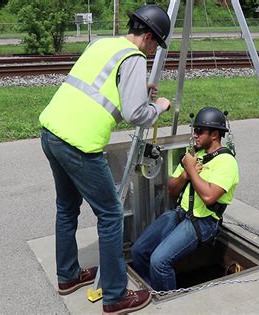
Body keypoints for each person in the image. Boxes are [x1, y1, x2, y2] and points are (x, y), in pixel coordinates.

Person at [39, 5, 171, 314]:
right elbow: (135, 113)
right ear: (148, 36)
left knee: (66, 208)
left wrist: (138, 89)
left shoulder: (101, 43)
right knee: (111, 215)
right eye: (156, 46)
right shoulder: (135, 57)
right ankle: (114, 296)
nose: (153, 52)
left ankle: (68, 276)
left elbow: (100, 85)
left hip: (51, 131)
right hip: (79, 144)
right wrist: (160, 106)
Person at [131, 107, 240, 291]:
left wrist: (189, 169)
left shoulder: (226, 162)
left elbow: (208, 197)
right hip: (180, 214)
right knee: (138, 251)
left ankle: (170, 301)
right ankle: (154, 288)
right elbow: (172, 190)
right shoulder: (196, 155)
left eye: (199, 131)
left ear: (214, 134)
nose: (194, 135)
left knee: (160, 261)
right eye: (194, 129)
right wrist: (185, 176)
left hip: (203, 221)